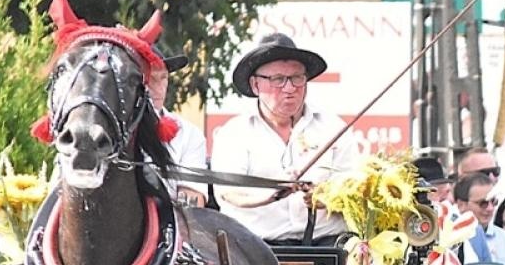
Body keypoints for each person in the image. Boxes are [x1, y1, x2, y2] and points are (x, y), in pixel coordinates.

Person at [210, 33, 354, 241]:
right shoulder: (233, 134)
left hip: (326, 244)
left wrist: (327, 197)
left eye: (297, 78)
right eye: (278, 79)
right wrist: (272, 193)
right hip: (255, 248)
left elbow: (353, 188)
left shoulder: (334, 129)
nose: (290, 89)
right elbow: (230, 193)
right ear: (255, 85)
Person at [146, 48, 208, 206]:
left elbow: (194, 198)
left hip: (168, 223)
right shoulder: (113, 132)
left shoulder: (189, 134)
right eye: (150, 79)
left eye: (163, 78)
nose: (158, 87)